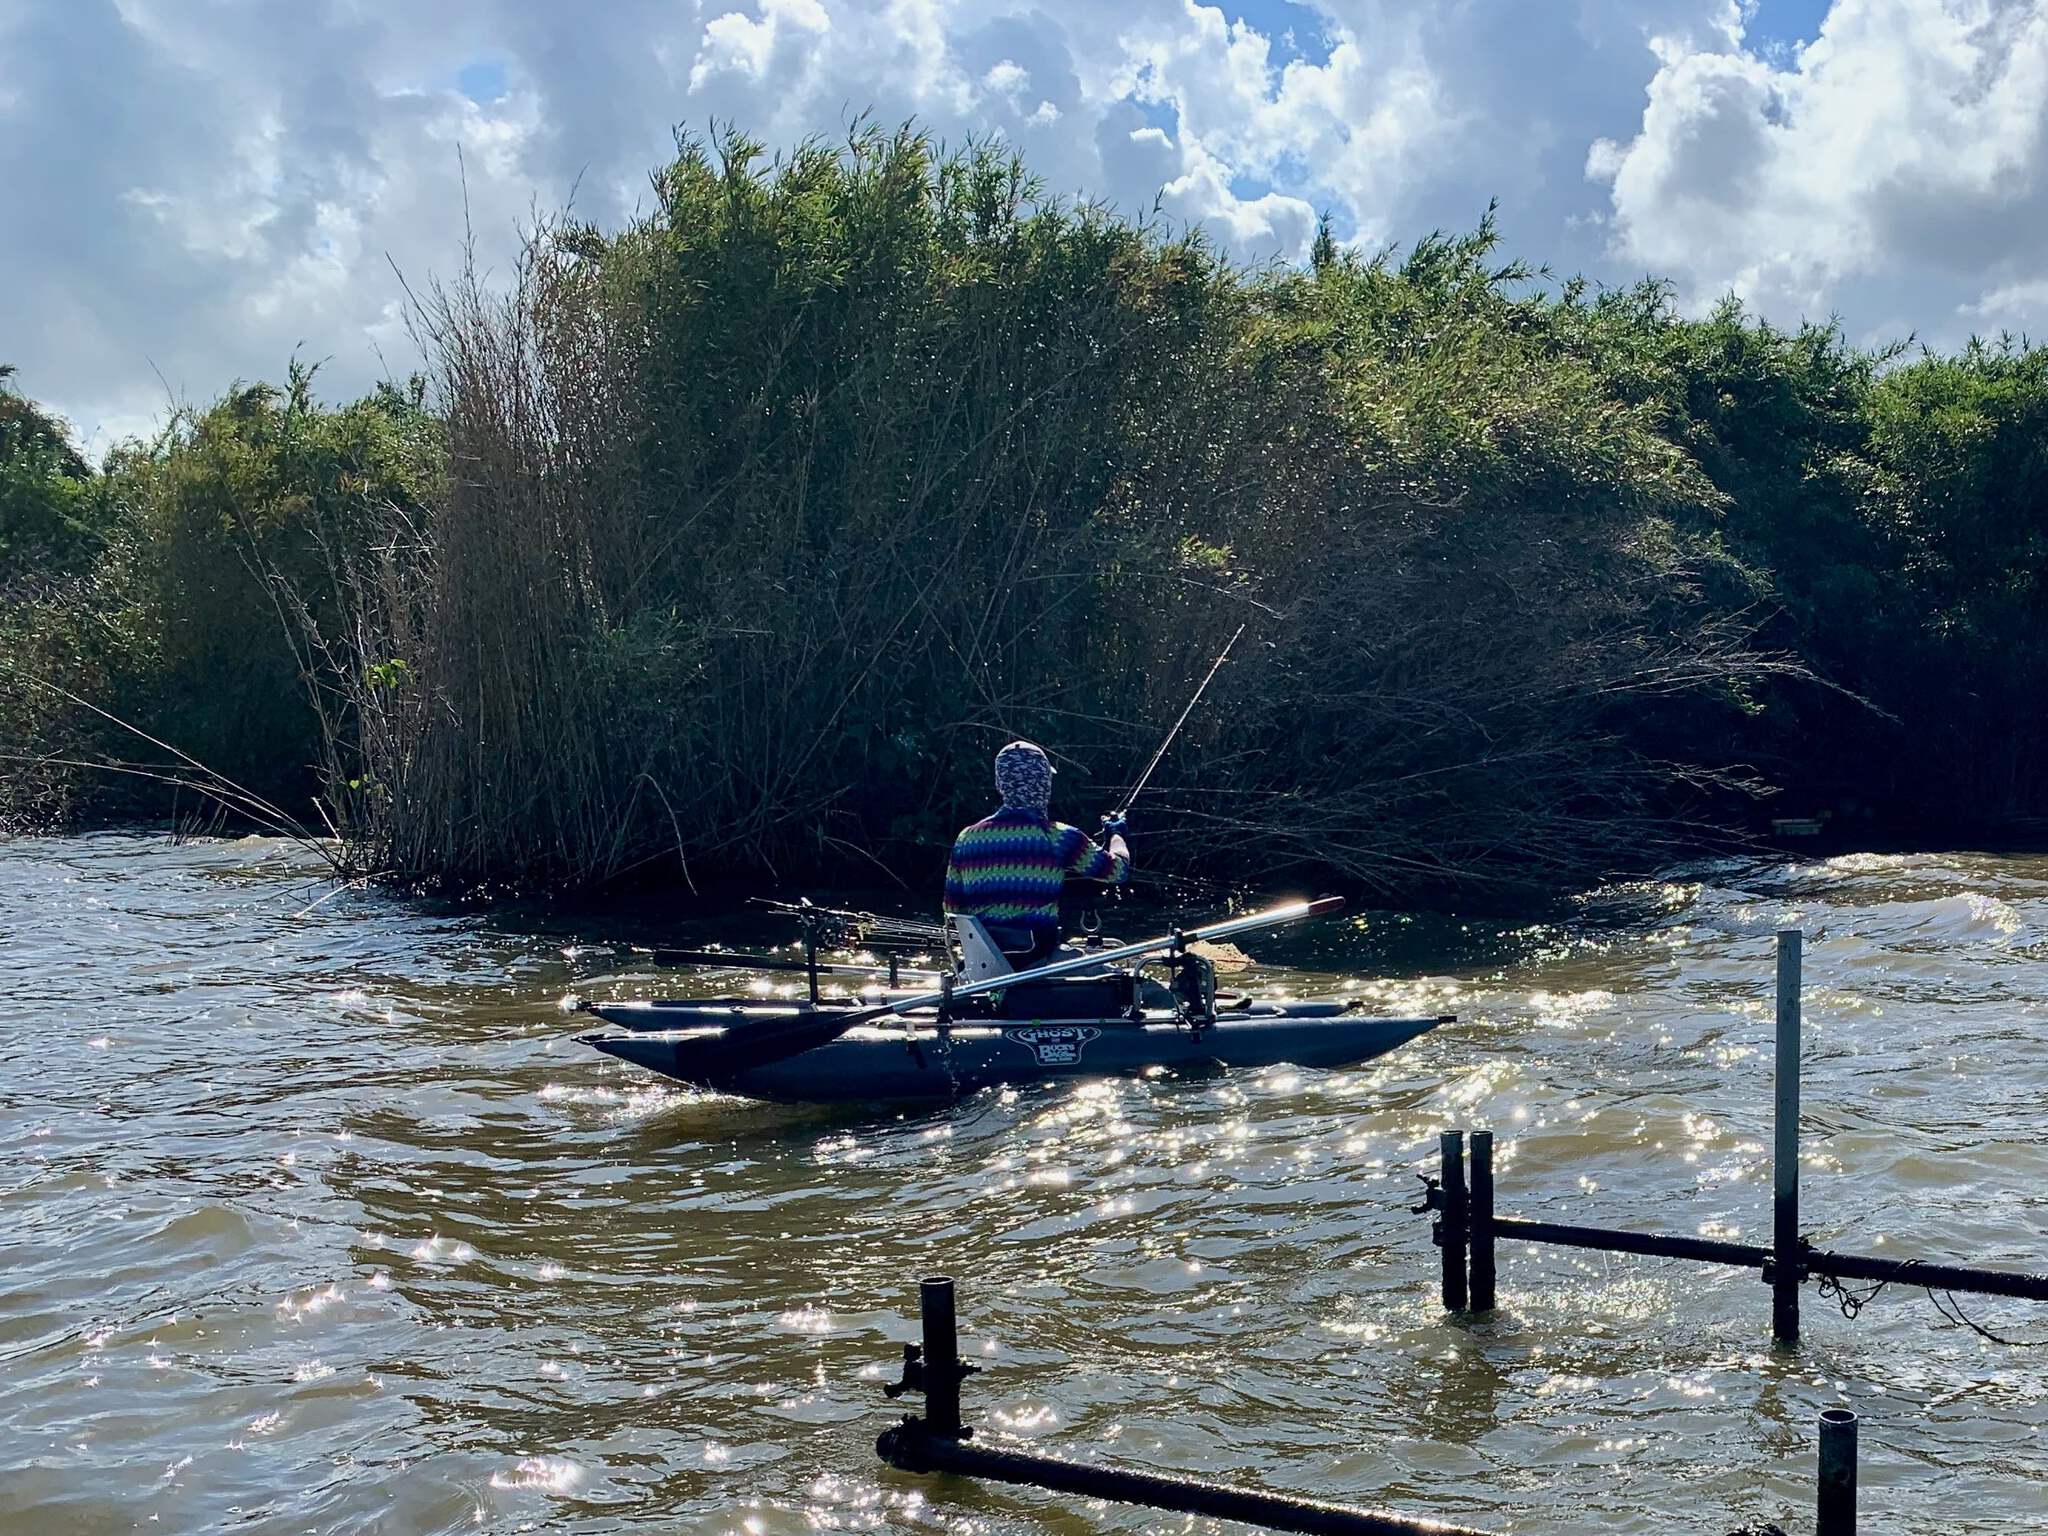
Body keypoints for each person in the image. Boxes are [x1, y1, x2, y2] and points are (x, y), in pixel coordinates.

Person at [943, 740, 1131, 963]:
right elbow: (1118, 870)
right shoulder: (1060, 837)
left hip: (986, 967)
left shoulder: (967, 839)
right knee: (1145, 988)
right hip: (1039, 962)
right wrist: (1117, 833)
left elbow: (952, 910)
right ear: (1044, 784)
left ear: (1000, 784)